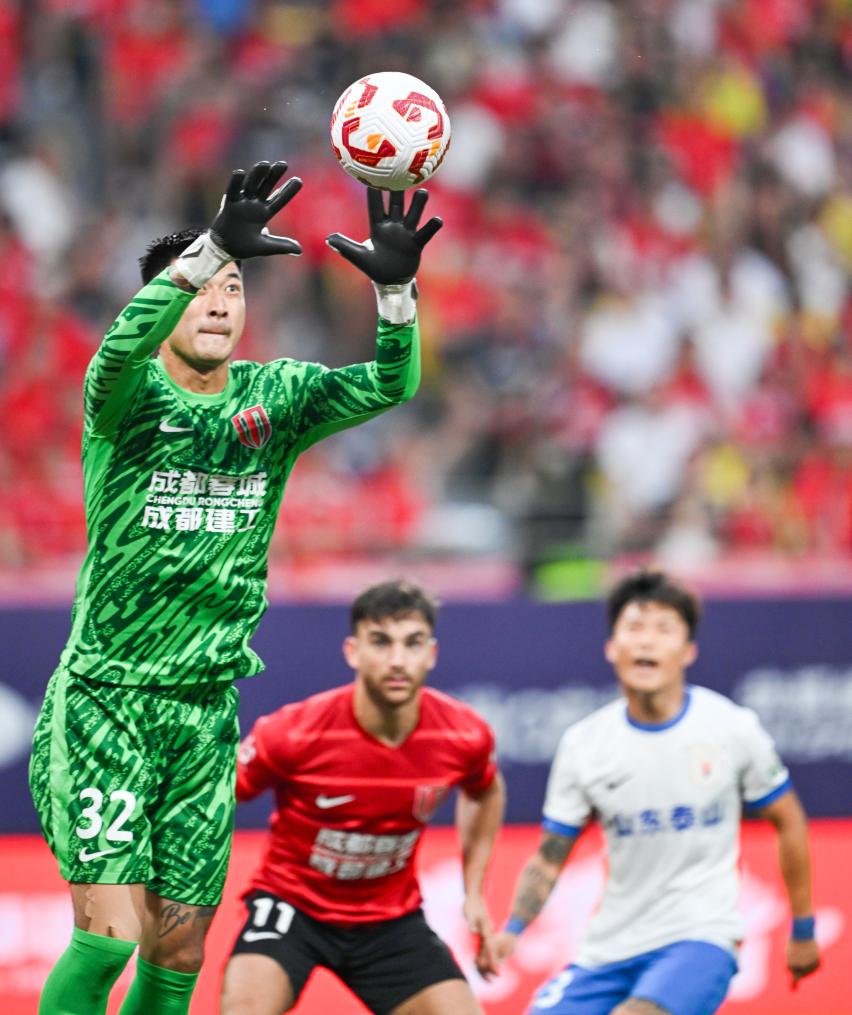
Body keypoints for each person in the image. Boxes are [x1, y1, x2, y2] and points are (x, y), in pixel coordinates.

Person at [28, 161, 443, 1015]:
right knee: (108, 937)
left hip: (206, 712)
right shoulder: (124, 398)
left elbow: (389, 383)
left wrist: (396, 295)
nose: (220, 302)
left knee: (179, 948)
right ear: (164, 302)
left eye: (234, 287)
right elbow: (117, 348)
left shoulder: (275, 397)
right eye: (204, 287)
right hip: (106, 699)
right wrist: (212, 245)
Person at [494, 568, 821, 1015]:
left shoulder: (730, 728)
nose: (646, 642)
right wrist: (513, 929)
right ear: (612, 647)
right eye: (634, 628)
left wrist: (803, 928)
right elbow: (551, 856)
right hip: (607, 949)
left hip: (701, 938)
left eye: (664, 629)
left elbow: (789, 820)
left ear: (688, 651)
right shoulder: (584, 744)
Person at [220, 579, 506, 1015]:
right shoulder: (293, 732)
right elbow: (217, 799)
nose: (398, 660)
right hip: (291, 907)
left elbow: (485, 791)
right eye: (381, 642)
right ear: (352, 651)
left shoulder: (463, 735)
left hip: (390, 921)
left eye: (413, 643)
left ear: (431, 654)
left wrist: (475, 892)